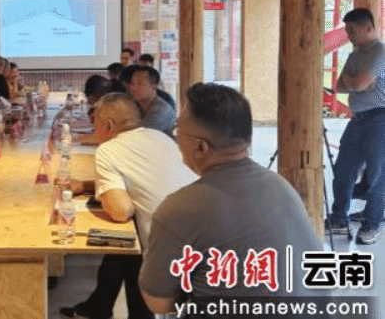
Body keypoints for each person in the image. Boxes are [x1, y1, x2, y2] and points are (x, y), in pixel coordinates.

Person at [139, 83, 325, 315]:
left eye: (178, 132)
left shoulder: (181, 208)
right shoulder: (280, 186)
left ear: (200, 147)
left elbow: (159, 303)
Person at [60, 93, 196, 319]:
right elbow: (143, 180)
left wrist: (110, 196)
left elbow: (121, 211)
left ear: (108, 125)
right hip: (203, 240)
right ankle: (97, 309)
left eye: (94, 124)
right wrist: (86, 185)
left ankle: (101, 310)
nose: (94, 131)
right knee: (124, 250)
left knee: (127, 245)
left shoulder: (109, 150)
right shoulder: (160, 137)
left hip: (171, 255)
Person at [326, 7, 385, 244]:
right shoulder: (354, 55)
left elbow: (357, 84)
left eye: (352, 30)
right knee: (343, 170)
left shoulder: (380, 52)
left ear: (367, 28)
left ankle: (372, 224)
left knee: (377, 175)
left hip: (380, 119)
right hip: (357, 119)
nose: (349, 35)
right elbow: (339, 85)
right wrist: (357, 82)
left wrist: (355, 82)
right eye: (347, 31)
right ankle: (339, 218)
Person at [128, 66, 176, 135]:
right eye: (132, 83)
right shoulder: (135, 105)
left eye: (139, 84)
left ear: (153, 87)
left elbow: (137, 135)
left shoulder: (161, 110)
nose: (133, 88)